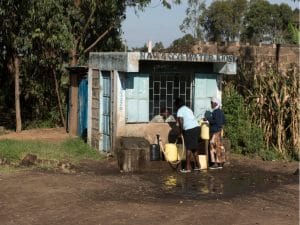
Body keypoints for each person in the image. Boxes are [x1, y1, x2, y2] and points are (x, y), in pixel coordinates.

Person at [174, 97, 200, 173]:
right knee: (194, 147)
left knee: (188, 148)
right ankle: (198, 166)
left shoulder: (180, 111)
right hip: (197, 128)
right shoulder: (188, 109)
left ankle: (187, 168)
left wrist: (181, 132)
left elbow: (181, 122)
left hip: (189, 129)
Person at [205, 97, 226, 169]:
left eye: (211, 103)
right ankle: (221, 163)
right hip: (219, 130)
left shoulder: (215, 112)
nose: (211, 104)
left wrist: (208, 119)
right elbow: (224, 121)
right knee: (219, 146)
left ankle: (215, 163)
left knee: (212, 146)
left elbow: (215, 121)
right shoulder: (221, 111)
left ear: (215, 103)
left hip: (215, 131)